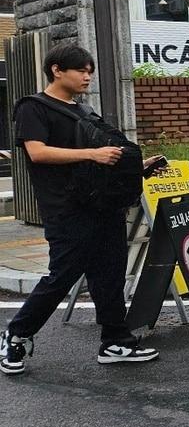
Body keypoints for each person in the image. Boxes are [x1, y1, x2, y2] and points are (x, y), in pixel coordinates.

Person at [1, 45, 164, 376]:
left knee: (110, 274)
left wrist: (139, 168)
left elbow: (102, 161)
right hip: (67, 209)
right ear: (57, 70)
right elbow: (38, 153)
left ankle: (115, 340)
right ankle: (16, 335)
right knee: (62, 275)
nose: (87, 76)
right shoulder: (34, 108)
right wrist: (93, 155)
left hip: (102, 206)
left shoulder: (84, 110)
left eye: (90, 70)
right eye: (81, 70)